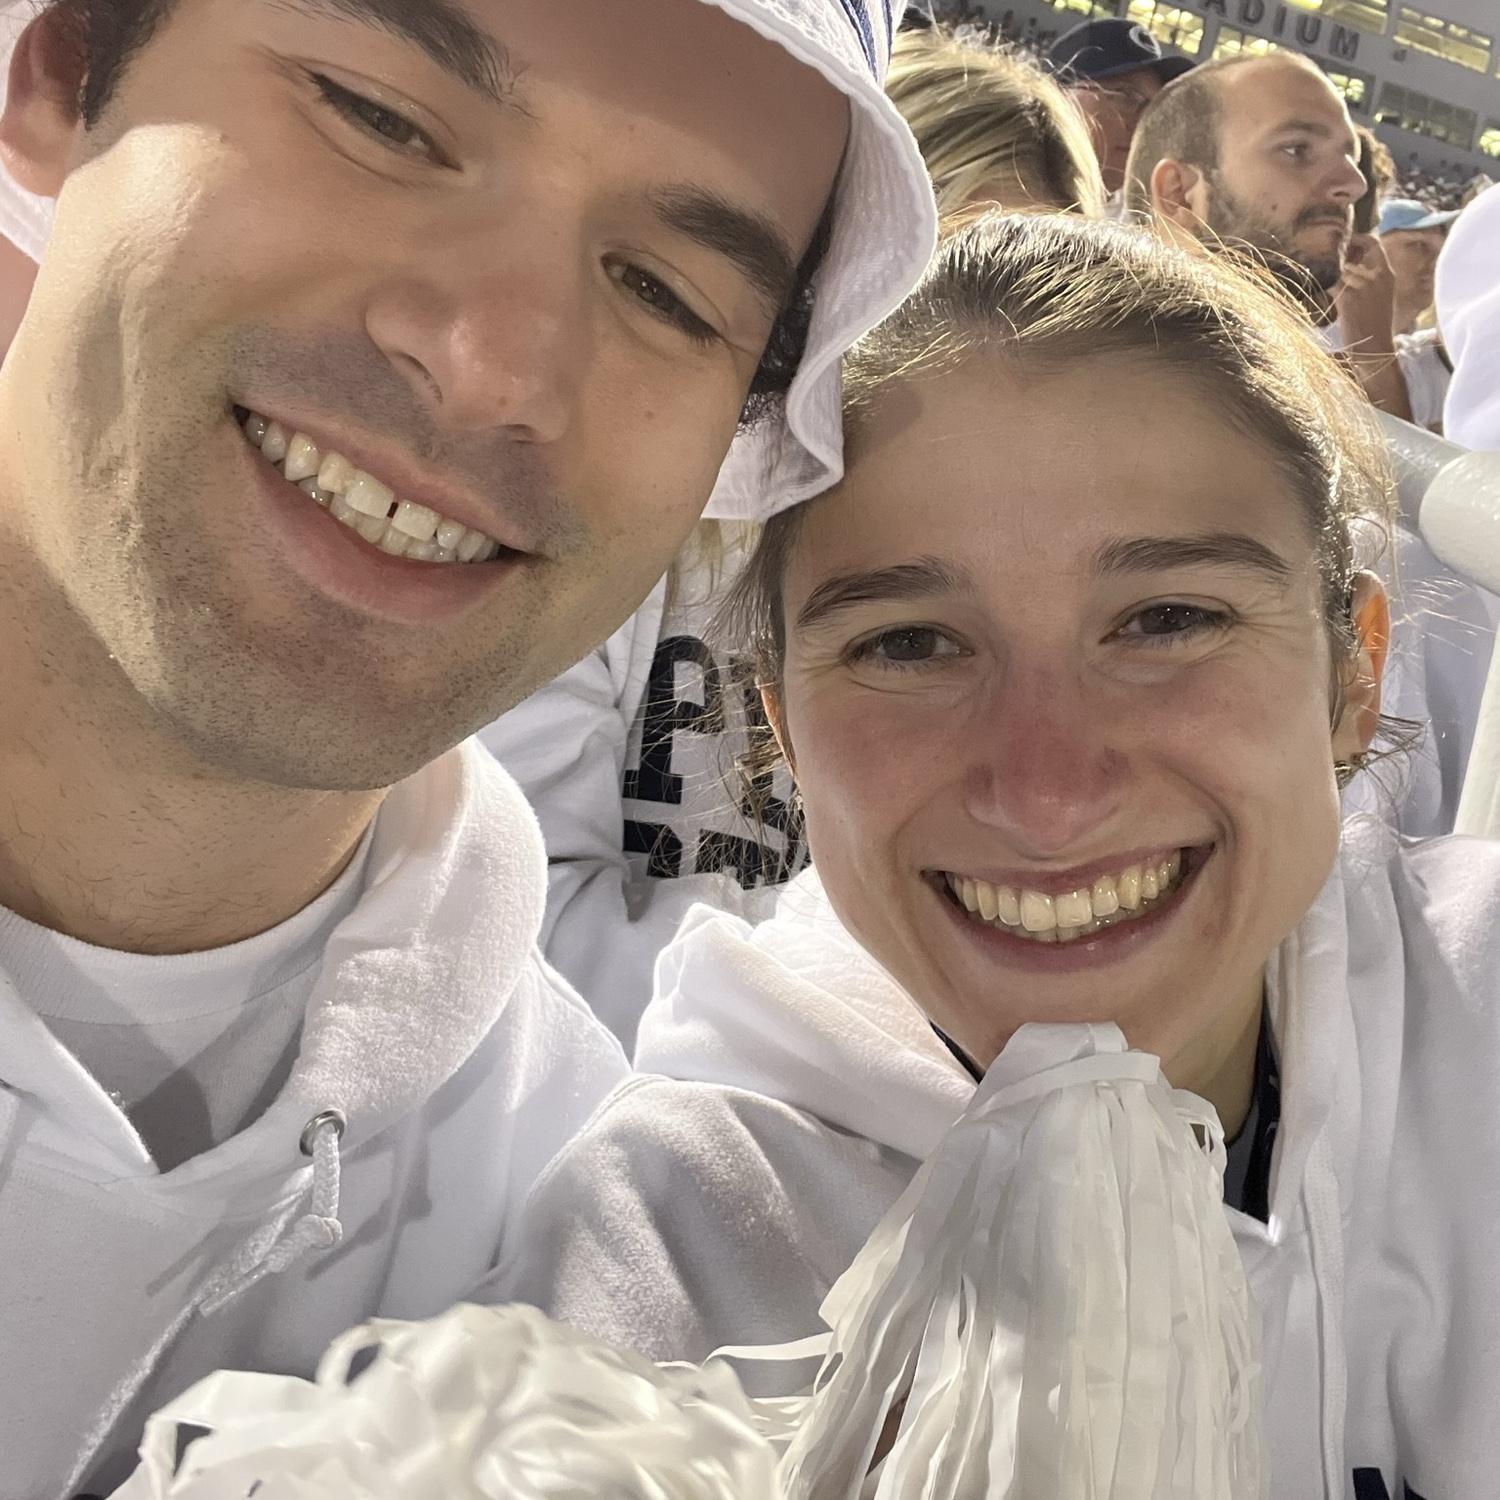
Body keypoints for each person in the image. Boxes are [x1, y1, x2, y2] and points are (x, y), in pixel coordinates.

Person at [0, 0, 938, 1492]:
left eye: (669, 291)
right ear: (59, 69)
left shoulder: (606, 1297)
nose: (496, 364)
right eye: (381, 120)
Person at [498, 212, 1500, 1498]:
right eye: (910, 643)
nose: (1047, 791)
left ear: (1353, 674)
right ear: (784, 733)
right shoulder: (672, 1259)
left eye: (1168, 619)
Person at [480, 20, 1098, 1049]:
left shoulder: (1033, 593)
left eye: (1033, 309)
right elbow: (520, 928)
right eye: (929, 283)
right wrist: (931, 977)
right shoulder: (640, 521)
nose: (977, 352)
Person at [1045, 17, 1193, 202]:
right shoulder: (1005, 198)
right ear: (1058, 95)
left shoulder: (1147, 220)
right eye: (1127, 96)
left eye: (1153, 107)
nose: (1143, 124)